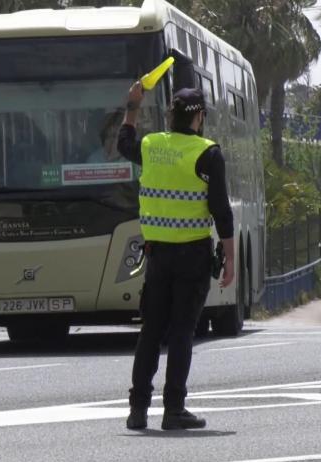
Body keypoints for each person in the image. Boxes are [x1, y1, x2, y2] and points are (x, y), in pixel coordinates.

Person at [118, 82, 235, 431]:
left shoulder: (152, 146)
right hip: (193, 256)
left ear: (170, 115)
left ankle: (138, 409)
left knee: (151, 332)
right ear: (199, 116)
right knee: (182, 332)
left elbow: (124, 144)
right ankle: (174, 410)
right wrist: (230, 257)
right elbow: (221, 210)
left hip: (157, 256)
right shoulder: (207, 152)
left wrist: (133, 105)